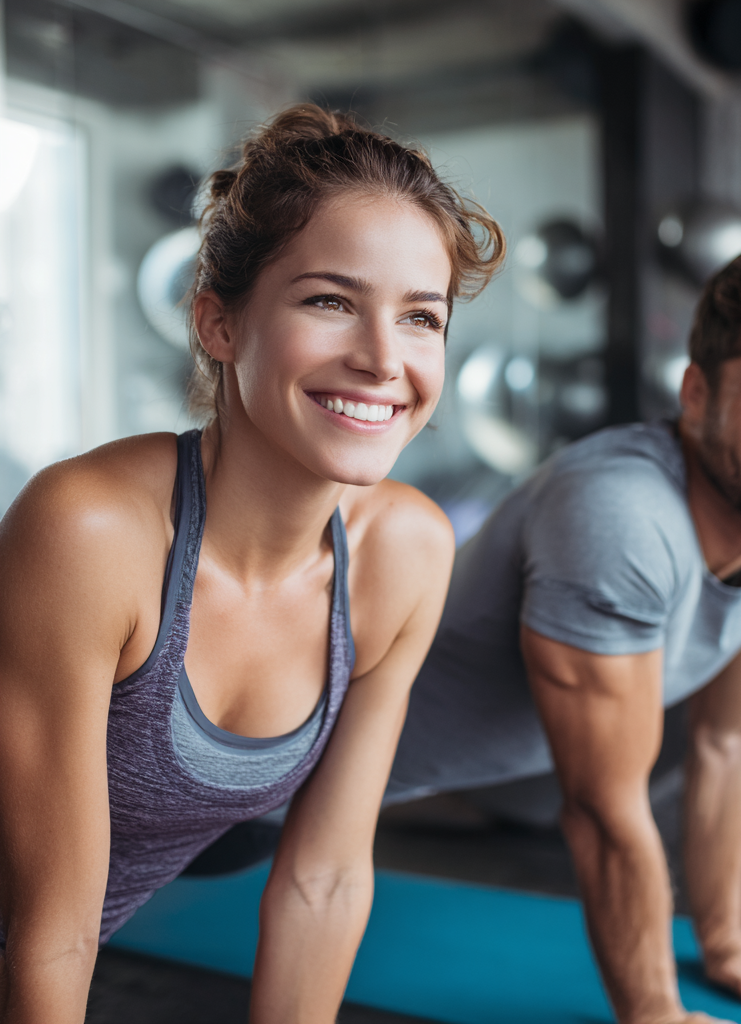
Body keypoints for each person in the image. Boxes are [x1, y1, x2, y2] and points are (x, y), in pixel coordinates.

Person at [0, 104, 503, 1023]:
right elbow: (48, 931)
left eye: (421, 318)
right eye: (330, 301)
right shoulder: (92, 530)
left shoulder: (404, 552)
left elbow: (324, 880)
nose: (383, 359)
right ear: (218, 323)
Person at [385, 241, 741, 1021]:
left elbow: (737, 737)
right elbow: (601, 810)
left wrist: (725, 938)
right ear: (697, 393)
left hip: (443, 783)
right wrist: (654, 1013)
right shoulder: (619, 511)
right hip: (255, 792)